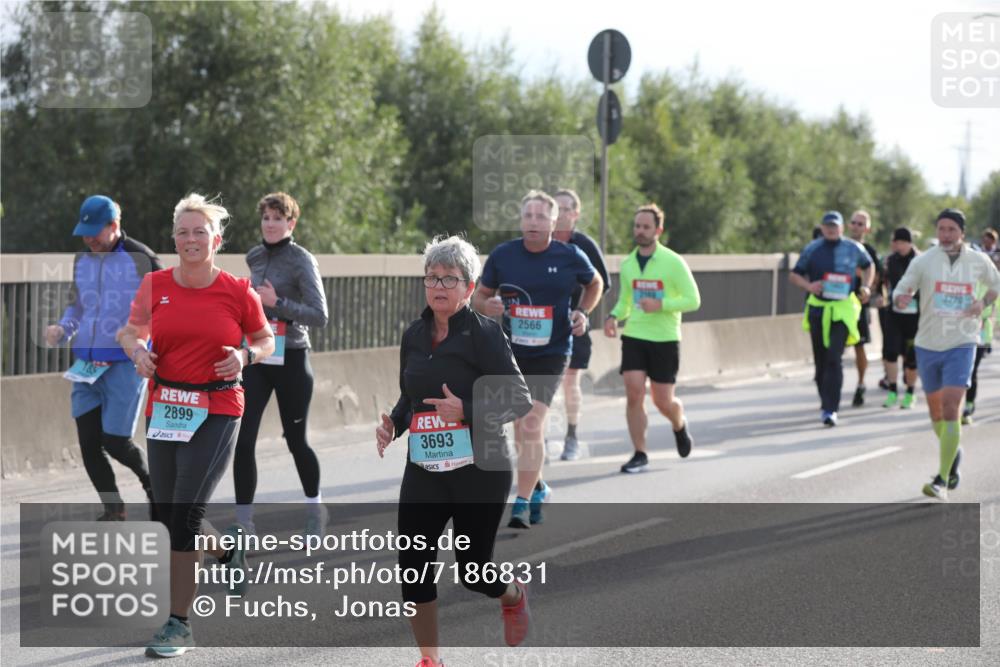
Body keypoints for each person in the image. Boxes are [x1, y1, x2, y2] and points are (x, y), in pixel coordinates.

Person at [117, 193, 275, 657]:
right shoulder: (155, 285)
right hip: (165, 407)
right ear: (174, 239)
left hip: (219, 407)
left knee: (184, 513)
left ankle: (178, 623)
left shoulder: (237, 290)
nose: (190, 239)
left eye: (199, 232)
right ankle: (226, 552)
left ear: (216, 240)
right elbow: (130, 331)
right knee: (168, 515)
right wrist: (137, 352)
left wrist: (246, 355)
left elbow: (265, 338)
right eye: (183, 232)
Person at [376, 236, 534, 667]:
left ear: (469, 286)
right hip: (425, 466)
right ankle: (430, 660)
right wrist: (395, 423)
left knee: (474, 571)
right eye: (431, 277)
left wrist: (467, 408)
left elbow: (518, 398)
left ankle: (513, 594)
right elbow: (413, 397)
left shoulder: (485, 335)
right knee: (413, 567)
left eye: (449, 278)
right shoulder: (413, 335)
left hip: (480, 468)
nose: (438, 285)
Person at [473, 190, 603, 529]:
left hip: (553, 351)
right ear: (520, 220)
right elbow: (479, 296)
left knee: (531, 423)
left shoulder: (570, 255)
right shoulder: (504, 255)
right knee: (520, 428)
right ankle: (540, 486)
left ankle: (522, 501)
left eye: (541, 216)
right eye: (528, 215)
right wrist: (487, 306)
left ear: (554, 220)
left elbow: (596, 283)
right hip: (512, 352)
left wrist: (582, 312)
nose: (533, 221)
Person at [44, 195, 162, 521]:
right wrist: (63, 328)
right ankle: (114, 508)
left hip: (124, 364)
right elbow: (78, 305)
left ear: (115, 225)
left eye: (95, 231)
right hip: (85, 365)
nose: (89, 239)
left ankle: (153, 485)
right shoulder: (82, 258)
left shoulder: (141, 257)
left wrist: (150, 347)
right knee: (88, 443)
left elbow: (166, 306)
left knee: (115, 440)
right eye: (85, 231)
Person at [232, 192, 329, 537]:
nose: (270, 224)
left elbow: (320, 315)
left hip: (292, 357)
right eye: (266, 218)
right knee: (242, 439)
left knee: (295, 440)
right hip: (258, 356)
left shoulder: (302, 260)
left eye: (278, 218)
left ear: (291, 223)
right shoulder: (254, 256)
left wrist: (278, 302)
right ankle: (244, 522)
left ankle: (315, 510)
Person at [894, 208, 1000, 500]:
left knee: (952, 406)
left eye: (951, 229)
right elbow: (903, 288)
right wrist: (900, 298)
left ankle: (941, 480)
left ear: (962, 233)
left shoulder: (978, 260)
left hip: (963, 341)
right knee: (937, 414)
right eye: (941, 229)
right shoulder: (924, 260)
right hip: (928, 343)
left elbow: (996, 285)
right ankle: (953, 457)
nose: (945, 235)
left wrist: (983, 304)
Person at [604, 204, 701, 473]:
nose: (640, 231)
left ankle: (679, 424)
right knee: (634, 393)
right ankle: (640, 453)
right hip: (635, 334)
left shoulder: (673, 262)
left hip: (665, 338)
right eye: (637, 226)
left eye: (646, 227)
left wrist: (662, 305)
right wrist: (613, 316)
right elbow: (626, 300)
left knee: (662, 401)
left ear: (658, 230)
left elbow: (693, 300)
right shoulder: (628, 264)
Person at [789, 211, 875, 427]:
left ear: (842, 228)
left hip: (843, 309)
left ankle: (831, 409)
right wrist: (809, 286)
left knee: (834, 357)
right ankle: (824, 399)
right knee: (820, 360)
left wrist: (865, 285)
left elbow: (869, 265)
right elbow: (794, 274)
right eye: (827, 225)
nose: (831, 229)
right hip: (818, 308)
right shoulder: (812, 248)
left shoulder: (853, 248)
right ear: (822, 227)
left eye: (834, 226)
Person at [551, 188, 610, 460]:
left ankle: (571, 436)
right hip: (539, 326)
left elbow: (602, 283)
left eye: (565, 209)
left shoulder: (583, 246)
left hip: (574, 324)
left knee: (570, 380)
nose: (560, 214)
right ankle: (536, 439)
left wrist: (582, 311)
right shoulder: (538, 242)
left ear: (575, 214)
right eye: (556, 208)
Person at [880, 227, 921, 409]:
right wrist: (881, 296)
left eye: (903, 242)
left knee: (912, 358)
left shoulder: (920, 261)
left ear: (910, 243)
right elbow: (882, 282)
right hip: (894, 314)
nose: (900, 245)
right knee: (890, 353)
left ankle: (910, 393)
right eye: (897, 242)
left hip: (915, 316)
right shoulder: (890, 260)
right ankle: (892, 391)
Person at [846, 210, 882, 406]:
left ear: (867, 228)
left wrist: (865, 283)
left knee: (859, 346)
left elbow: (875, 276)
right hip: (838, 304)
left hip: (858, 305)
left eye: (861, 224)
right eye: (854, 222)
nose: (857, 226)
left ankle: (860, 383)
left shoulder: (869, 251)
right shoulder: (840, 247)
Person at [963, 279, 997, 424]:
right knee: (960, 369)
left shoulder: (991, 284)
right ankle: (957, 405)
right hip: (959, 331)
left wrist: (989, 337)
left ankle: (969, 404)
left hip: (981, 333)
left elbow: (996, 312)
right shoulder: (961, 279)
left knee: (972, 370)